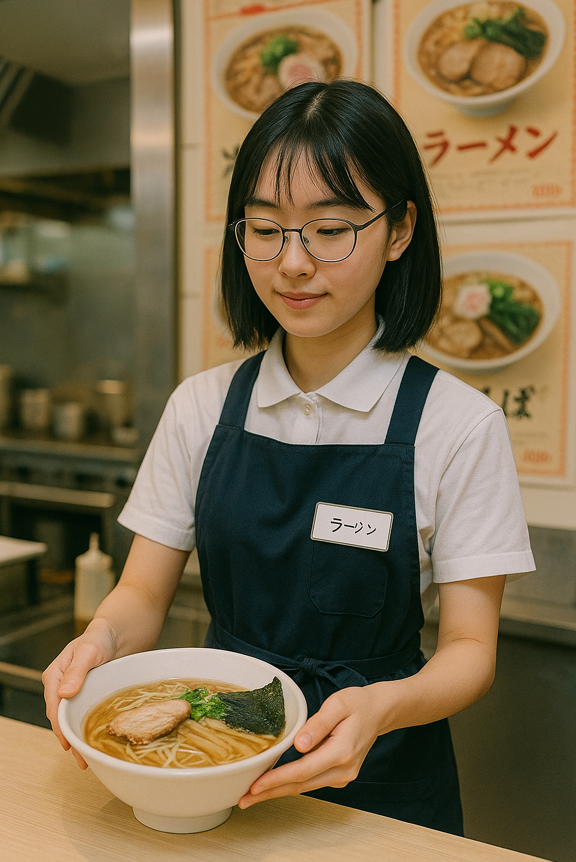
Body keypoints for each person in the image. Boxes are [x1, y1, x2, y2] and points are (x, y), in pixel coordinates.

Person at [43, 80, 535, 836]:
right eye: (265, 230)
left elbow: (470, 651)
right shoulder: (201, 406)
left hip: (381, 776)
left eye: (329, 229)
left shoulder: (458, 424)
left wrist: (382, 704)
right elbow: (140, 596)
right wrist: (97, 642)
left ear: (399, 229)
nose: (291, 264)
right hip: (210, 765)